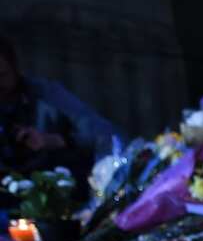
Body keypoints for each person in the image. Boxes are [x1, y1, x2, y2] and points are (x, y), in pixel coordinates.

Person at [0, 35, 118, 180]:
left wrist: (57, 140)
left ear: (14, 68)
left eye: (2, 75)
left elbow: (101, 132)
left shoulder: (45, 94)